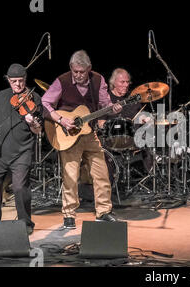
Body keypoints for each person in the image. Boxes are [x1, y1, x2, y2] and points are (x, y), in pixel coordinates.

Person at [41, 50, 122, 229]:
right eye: (75, 71)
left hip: (90, 134)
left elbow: (105, 104)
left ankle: (103, 212)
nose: (77, 75)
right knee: (70, 176)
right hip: (68, 135)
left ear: (89, 69)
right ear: (71, 68)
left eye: (81, 72)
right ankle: (69, 215)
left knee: (101, 174)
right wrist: (61, 119)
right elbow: (45, 102)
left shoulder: (98, 80)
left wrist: (113, 108)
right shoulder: (62, 80)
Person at [0, 63, 42, 235]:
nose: (18, 85)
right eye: (14, 81)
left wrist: (32, 123)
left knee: (20, 187)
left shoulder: (34, 98)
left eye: (21, 81)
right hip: (0, 151)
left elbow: (38, 129)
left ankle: (25, 224)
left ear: (25, 79)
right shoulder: (2, 96)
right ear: (8, 80)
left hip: (22, 152)